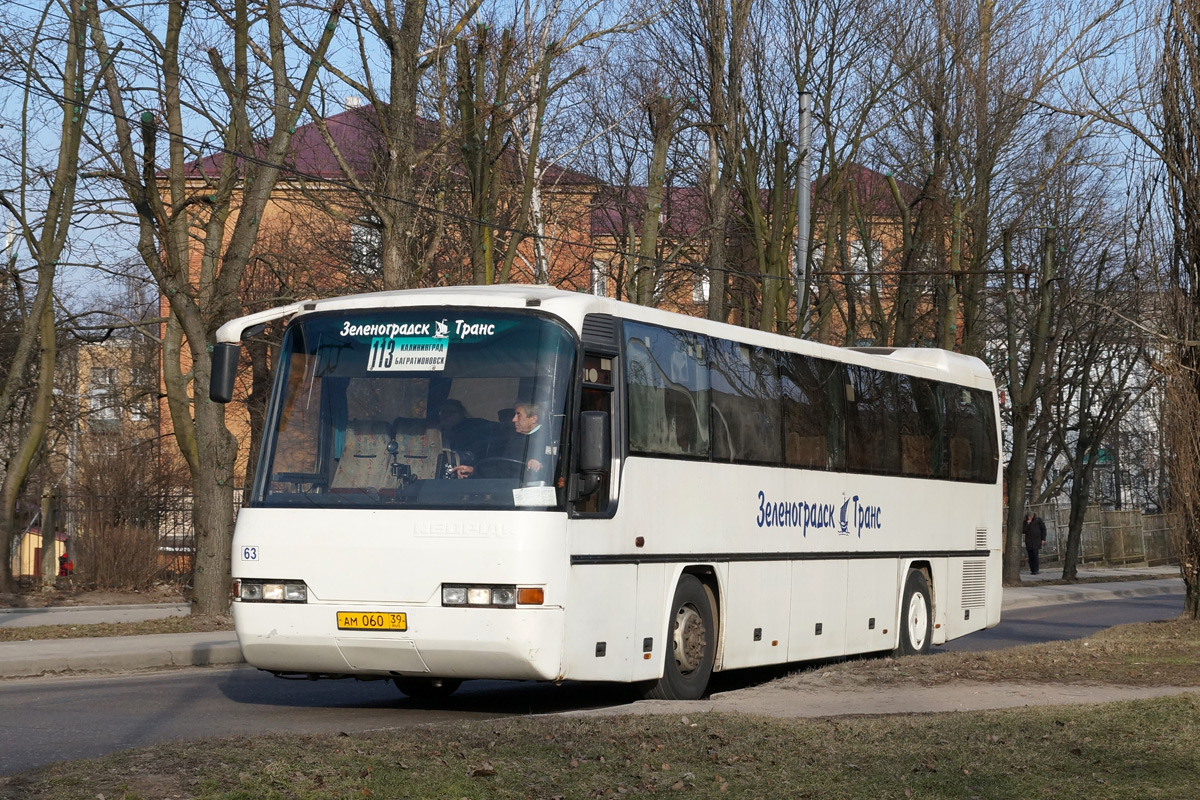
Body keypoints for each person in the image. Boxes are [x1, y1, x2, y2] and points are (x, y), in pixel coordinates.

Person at [453, 401, 550, 478]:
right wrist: (473, 470)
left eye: (518, 415)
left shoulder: (549, 439)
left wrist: (540, 465)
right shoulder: (515, 440)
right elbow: (502, 470)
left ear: (533, 419)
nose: (514, 419)